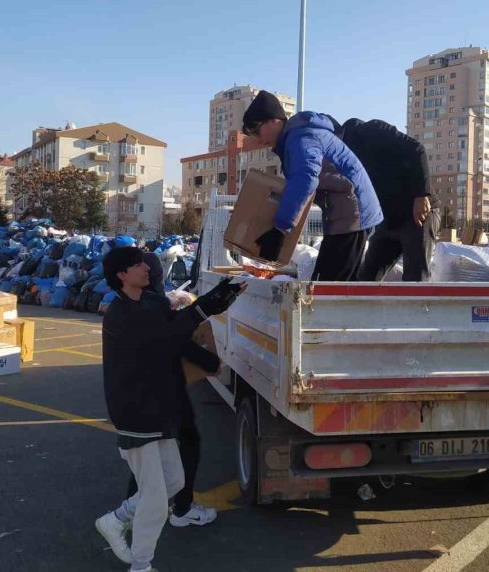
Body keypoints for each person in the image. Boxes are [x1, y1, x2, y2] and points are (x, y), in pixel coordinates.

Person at [95, 246, 244, 572]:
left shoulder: (149, 302)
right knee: (154, 496)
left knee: (174, 481)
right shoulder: (120, 315)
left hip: (160, 407)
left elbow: (174, 324)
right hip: (136, 412)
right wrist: (207, 307)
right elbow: (166, 335)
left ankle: (116, 519)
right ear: (122, 275)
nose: (146, 268)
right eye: (137, 265)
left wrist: (218, 298)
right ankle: (141, 565)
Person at [242, 91, 383, 281]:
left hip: (353, 214)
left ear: (275, 120)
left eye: (256, 130)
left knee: (330, 289)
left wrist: (280, 230)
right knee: (328, 285)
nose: (258, 140)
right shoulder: (297, 137)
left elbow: (305, 180)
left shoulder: (302, 139)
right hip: (344, 215)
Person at [125, 249, 218, 529]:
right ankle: (180, 509)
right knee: (185, 442)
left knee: (149, 448)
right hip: (162, 389)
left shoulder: (130, 301)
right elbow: (176, 341)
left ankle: (136, 510)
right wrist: (209, 361)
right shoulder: (151, 305)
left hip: (138, 389)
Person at [333, 118, 441, 282]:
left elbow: (416, 149)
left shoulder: (372, 131)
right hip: (389, 220)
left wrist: (421, 195)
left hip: (417, 213)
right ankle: (363, 307)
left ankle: (415, 307)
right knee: (366, 278)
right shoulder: (341, 160)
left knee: (415, 279)